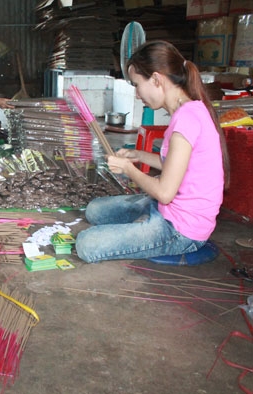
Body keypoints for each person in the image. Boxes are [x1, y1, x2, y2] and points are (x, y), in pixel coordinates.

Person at [75, 40, 230, 263]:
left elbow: (165, 192)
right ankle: (143, 222)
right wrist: (137, 156)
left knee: (86, 244)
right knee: (95, 210)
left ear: (156, 79)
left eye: (137, 85)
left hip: (180, 229)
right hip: (168, 209)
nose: (137, 94)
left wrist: (129, 169)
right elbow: (175, 164)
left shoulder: (187, 119)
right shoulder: (186, 111)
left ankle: (146, 227)